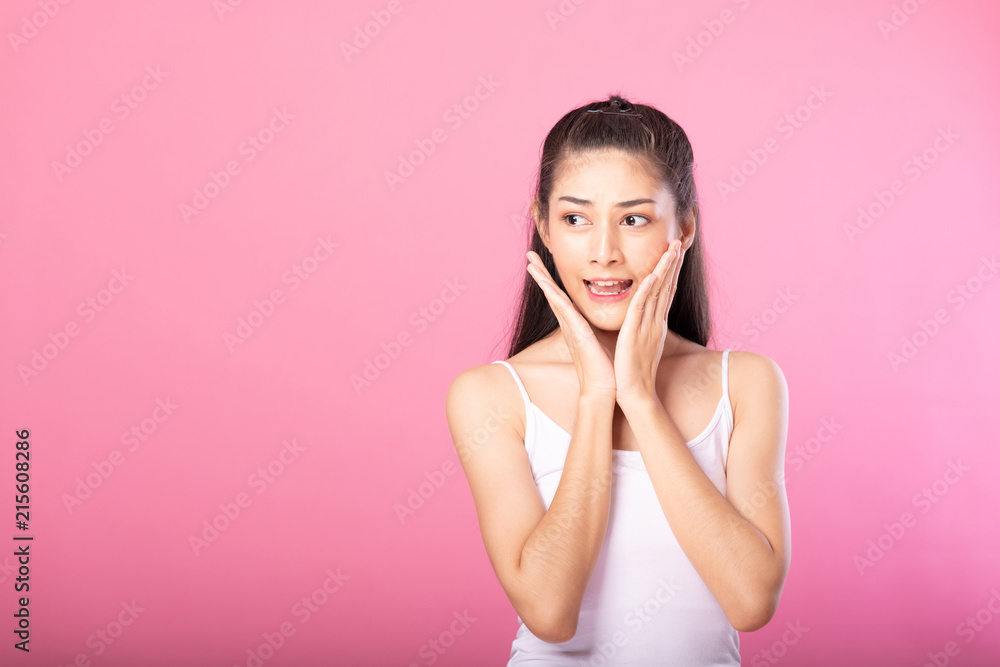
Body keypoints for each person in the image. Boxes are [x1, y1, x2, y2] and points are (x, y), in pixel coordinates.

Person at [445, 93, 791, 665]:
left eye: (633, 219)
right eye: (575, 219)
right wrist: (595, 398)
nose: (603, 252)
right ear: (543, 227)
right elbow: (550, 614)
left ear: (684, 226)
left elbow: (751, 601)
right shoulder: (491, 396)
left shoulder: (746, 383)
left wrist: (640, 398)